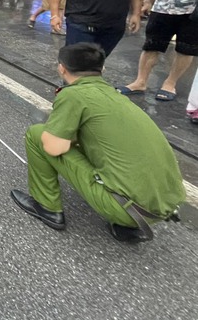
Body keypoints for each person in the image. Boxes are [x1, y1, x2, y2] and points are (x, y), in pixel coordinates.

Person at [10, 43, 185, 243]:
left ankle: (47, 207)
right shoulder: (114, 94)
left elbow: (53, 147)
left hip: (125, 209)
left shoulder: (73, 95)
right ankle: (127, 226)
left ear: (62, 68)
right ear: (102, 69)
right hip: (163, 208)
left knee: (37, 134)